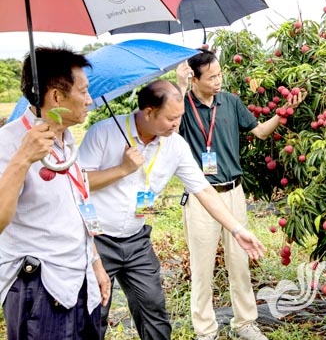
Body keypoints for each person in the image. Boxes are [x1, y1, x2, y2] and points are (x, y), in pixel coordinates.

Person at [78, 79, 266, 340]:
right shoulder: (104, 132)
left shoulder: (175, 145)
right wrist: (122, 169)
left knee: (154, 310)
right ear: (149, 113)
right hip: (98, 241)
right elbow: (79, 184)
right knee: (93, 314)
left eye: (180, 117)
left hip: (136, 240)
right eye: (171, 118)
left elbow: (203, 190)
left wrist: (236, 229)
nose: (177, 124)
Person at [176, 49, 305, 340]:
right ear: (194, 78)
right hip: (200, 197)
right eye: (211, 77)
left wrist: (283, 112)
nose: (219, 80)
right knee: (202, 267)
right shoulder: (181, 106)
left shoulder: (231, 102)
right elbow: (165, 129)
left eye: (220, 74)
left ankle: (245, 323)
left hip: (233, 192)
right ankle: (205, 331)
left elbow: (259, 132)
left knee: (240, 262)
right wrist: (179, 88)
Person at [0, 47, 110, 340]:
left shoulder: (67, 140)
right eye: (84, 91)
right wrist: (24, 158)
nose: (89, 100)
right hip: (40, 288)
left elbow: (78, 207)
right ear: (57, 97)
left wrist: (96, 263)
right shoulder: (9, 143)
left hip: (81, 281)